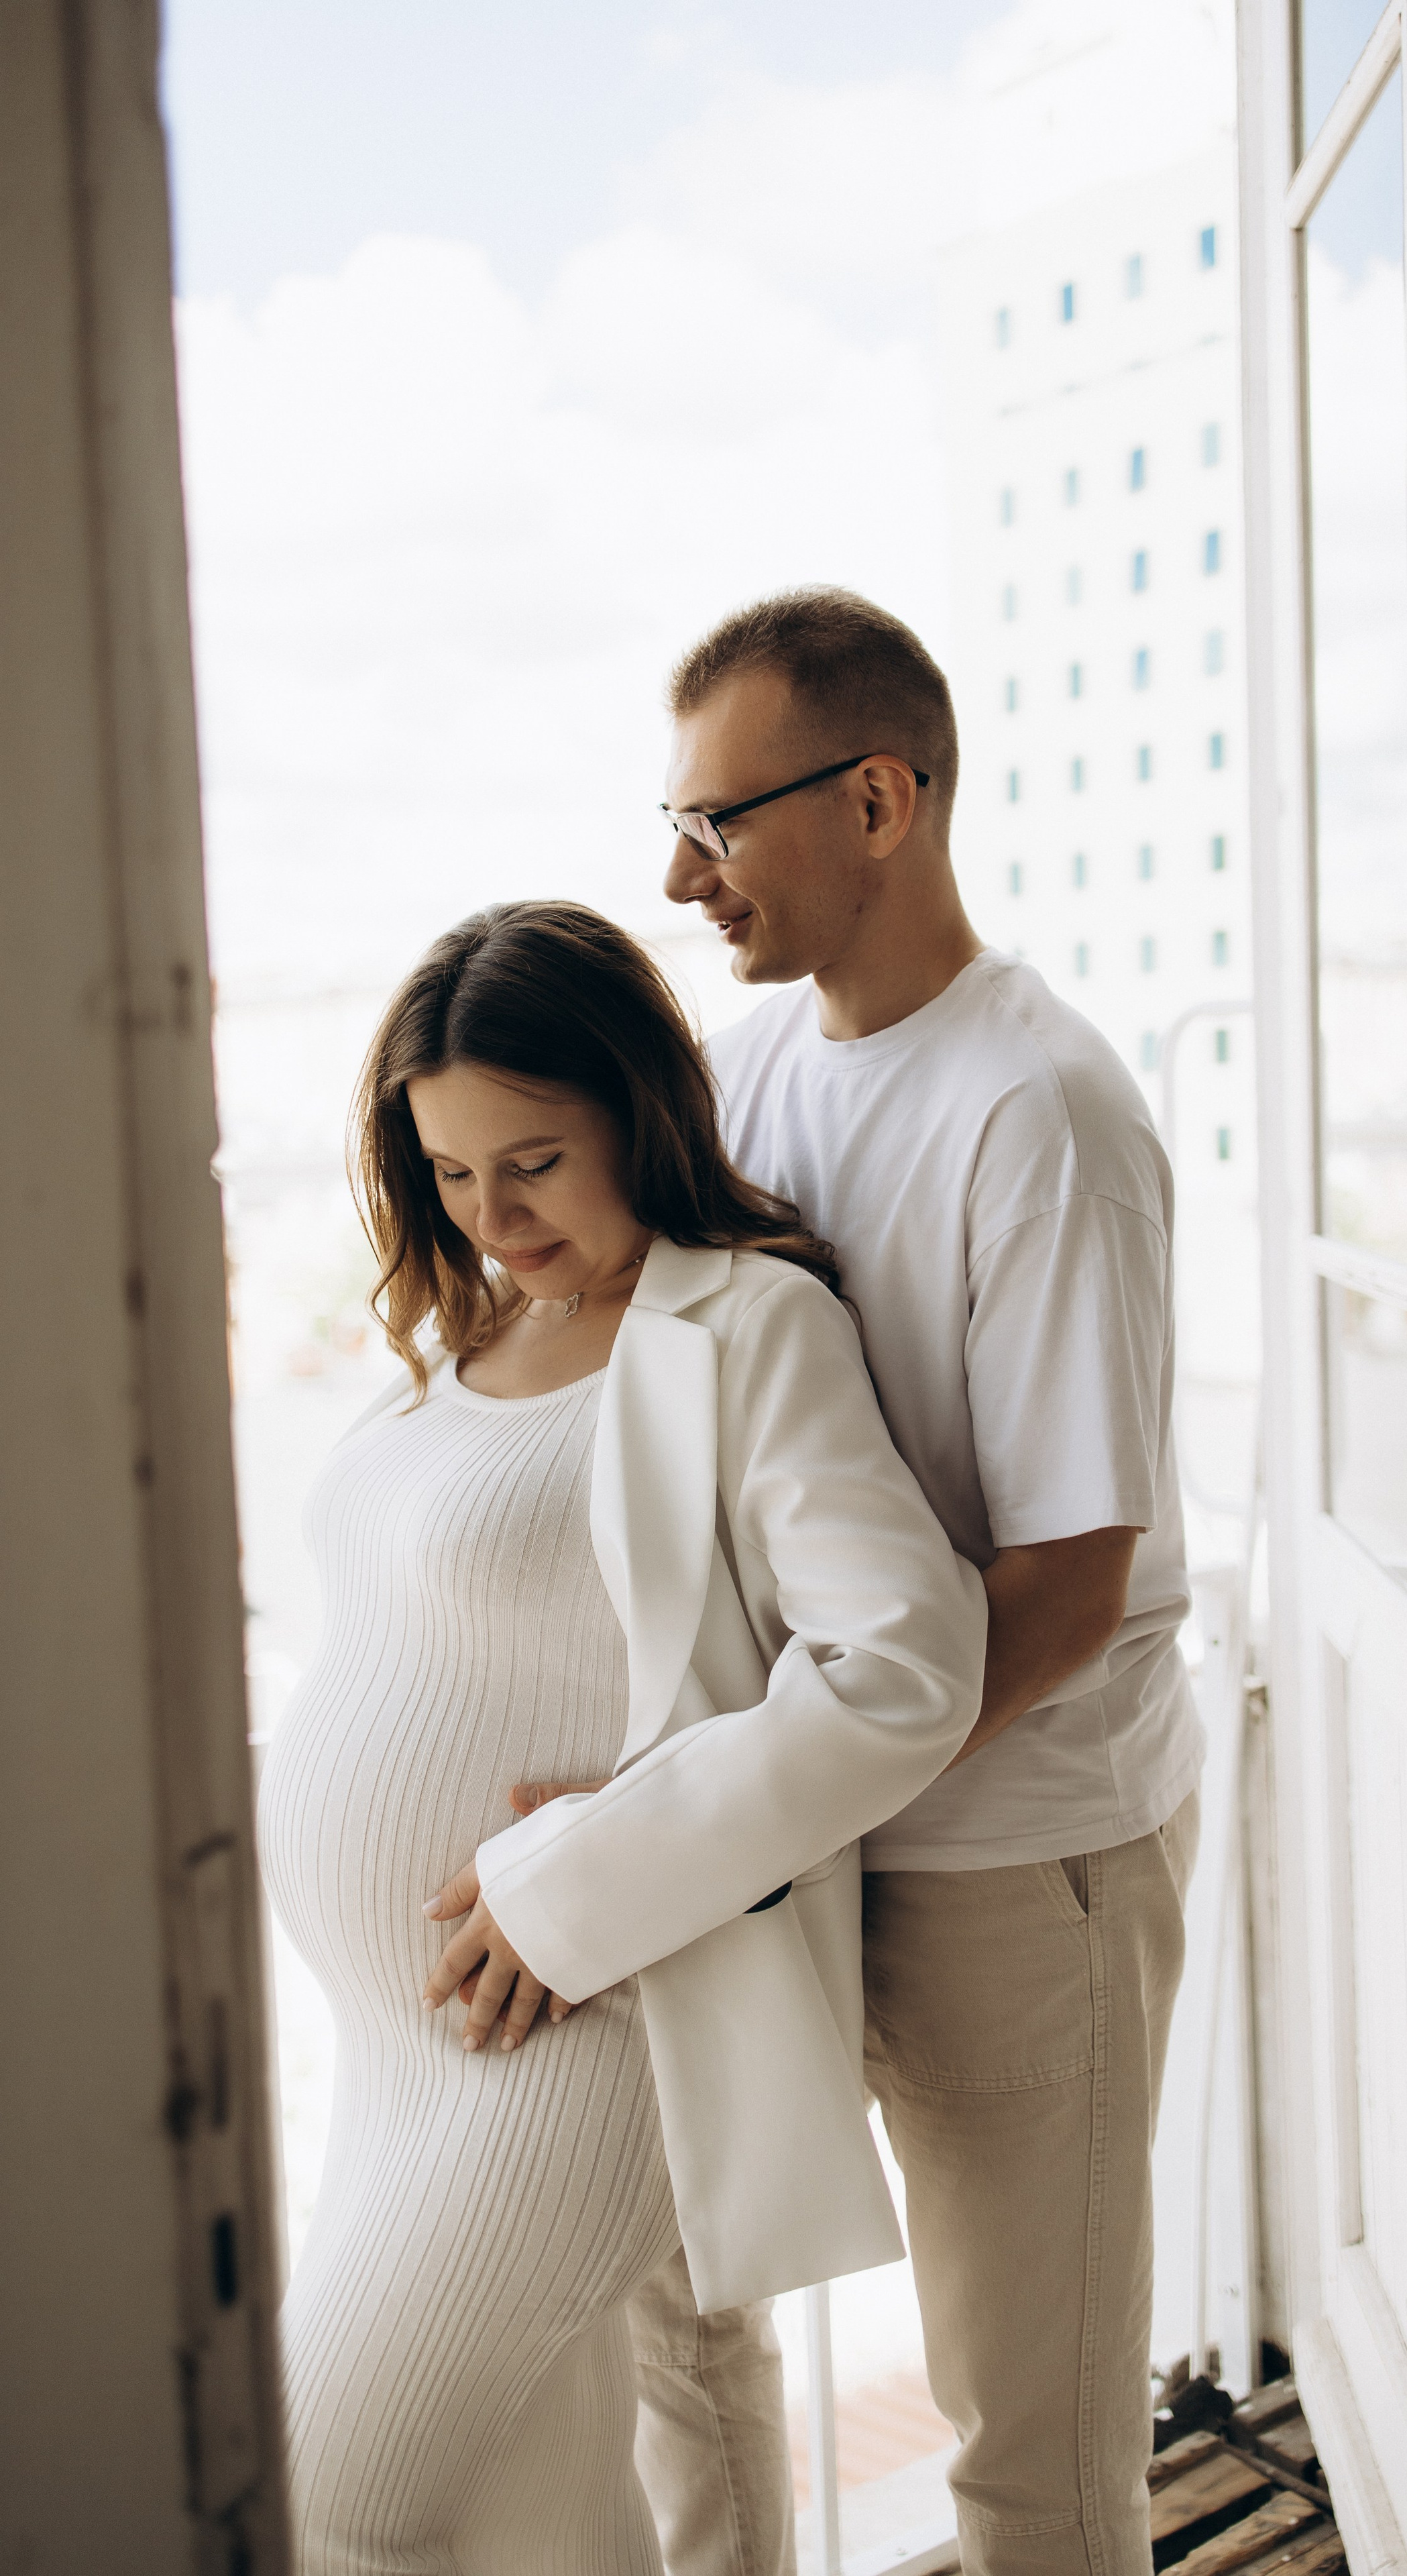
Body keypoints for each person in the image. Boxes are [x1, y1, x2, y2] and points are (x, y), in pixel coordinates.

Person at [517, 589, 1205, 2576]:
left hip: (1021, 1864)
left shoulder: (1045, 1112)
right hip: (819, 1840)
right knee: (695, 2347)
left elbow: (1068, 1588)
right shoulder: (739, 1075)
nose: (678, 873)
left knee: (1029, 2448)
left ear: (882, 798)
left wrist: (734, 1821)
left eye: (719, 823)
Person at [258, 900, 986, 2573]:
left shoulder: (743, 1328)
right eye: (445, 1171)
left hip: (582, 2027)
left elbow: (902, 1669)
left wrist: (577, 1876)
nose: (489, 1214)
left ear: (636, 1114)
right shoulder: (472, 1332)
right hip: (401, 2044)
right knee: (540, 2531)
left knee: (326, 2496)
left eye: (531, 1162)